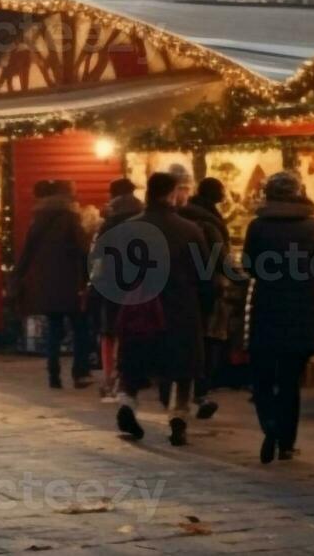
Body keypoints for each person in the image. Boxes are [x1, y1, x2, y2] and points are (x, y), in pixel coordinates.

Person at [242, 170, 314, 464]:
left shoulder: (257, 226)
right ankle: (287, 443)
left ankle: (270, 427)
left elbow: (248, 267)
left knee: (262, 377)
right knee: (289, 381)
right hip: (301, 311)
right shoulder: (313, 226)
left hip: (265, 309)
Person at [101, 172, 213, 447]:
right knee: (182, 369)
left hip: (139, 308)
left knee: (132, 365)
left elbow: (112, 274)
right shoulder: (190, 230)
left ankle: (127, 404)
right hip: (180, 309)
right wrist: (205, 307)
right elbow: (205, 275)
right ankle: (178, 418)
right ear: (172, 193)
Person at [15, 180, 91, 388]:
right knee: (80, 328)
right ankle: (80, 372)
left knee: (54, 329)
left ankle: (53, 375)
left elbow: (27, 252)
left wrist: (18, 276)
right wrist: (88, 276)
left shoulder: (37, 219)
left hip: (47, 284)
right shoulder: (71, 218)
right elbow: (83, 250)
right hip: (71, 282)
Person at [178, 173, 232, 420]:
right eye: (221, 189)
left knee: (188, 338)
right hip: (207, 288)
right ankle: (200, 391)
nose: (224, 193)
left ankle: (186, 393)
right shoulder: (209, 222)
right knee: (209, 341)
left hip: (182, 288)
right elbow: (219, 258)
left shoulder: (184, 216)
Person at [91, 178, 143, 401]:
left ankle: (109, 378)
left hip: (110, 282)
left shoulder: (108, 223)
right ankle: (129, 375)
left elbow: (97, 255)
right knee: (134, 328)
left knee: (109, 330)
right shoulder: (144, 220)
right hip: (138, 281)